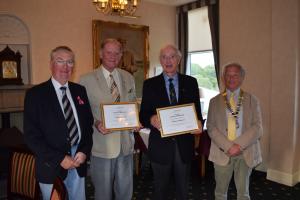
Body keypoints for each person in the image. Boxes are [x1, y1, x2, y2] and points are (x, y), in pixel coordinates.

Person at [24, 46, 94, 200]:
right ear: (51, 64)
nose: (65, 67)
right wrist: (60, 159)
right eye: (60, 61)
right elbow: (31, 137)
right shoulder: (35, 95)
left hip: (78, 162)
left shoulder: (80, 91)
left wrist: (84, 151)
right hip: (51, 165)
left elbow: (88, 127)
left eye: (70, 62)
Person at [139, 44, 203, 200]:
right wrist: (151, 119)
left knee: (183, 191)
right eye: (164, 57)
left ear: (179, 60)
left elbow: (196, 112)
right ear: (160, 60)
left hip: (184, 146)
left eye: (172, 56)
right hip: (160, 146)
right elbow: (143, 115)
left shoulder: (191, 82)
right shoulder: (149, 84)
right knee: (160, 191)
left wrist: (199, 123)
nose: (168, 60)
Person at [79, 38, 137, 200]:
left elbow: (132, 106)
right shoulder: (86, 80)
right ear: (100, 54)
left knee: (125, 191)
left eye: (117, 53)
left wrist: (135, 120)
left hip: (126, 144)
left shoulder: (128, 77)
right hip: (101, 145)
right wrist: (96, 123)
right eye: (108, 52)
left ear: (121, 55)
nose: (113, 56)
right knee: (103, 193)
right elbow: (83, 113)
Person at [207, 62, 263, 200]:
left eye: (235, 75)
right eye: (228, 75)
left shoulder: (252, 100)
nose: (231, 79)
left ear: (242, 78)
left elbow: (258, 127)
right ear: (223, 78)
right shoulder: (214, 102)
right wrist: (229, 146)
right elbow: (211, 127)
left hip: (245, 152)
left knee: (243, 193)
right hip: (222, 152)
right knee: (220, 192)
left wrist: (238, 146)